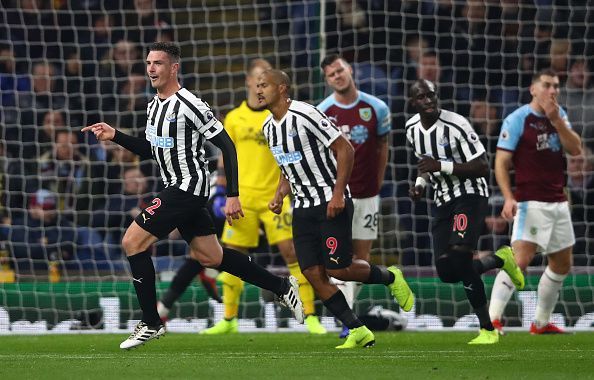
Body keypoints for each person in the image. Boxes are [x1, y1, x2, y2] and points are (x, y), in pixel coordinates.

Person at [82, 42, 304, 350]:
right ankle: (281, 286)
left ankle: (151, 322)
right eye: (148, 63)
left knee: (132, 241)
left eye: (158, 63)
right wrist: (114, 135)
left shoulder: (190, 104)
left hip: (190, 186)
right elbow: (151, 150)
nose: (150, 68)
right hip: (176, 186)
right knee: (210, 256)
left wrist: (232, 194)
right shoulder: (153, 105)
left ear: (173, 68)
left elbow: (227, 145)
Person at [157, 58, 326, 335]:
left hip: (274, 195)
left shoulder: (278, 115)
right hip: (242, 198)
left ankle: (309, 315)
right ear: (248, 81)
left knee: (292, 251)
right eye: (258, 79)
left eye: (267, 80)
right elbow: (225, 158)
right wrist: (221, 191)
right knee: (232, 254)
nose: (261, 85)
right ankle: (229, 318)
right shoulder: (234, 117)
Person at [257, 69, 414, 349]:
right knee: (312, 272)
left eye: (264, 85)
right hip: (302, 208)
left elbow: (345, 150)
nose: (258, 90)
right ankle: (357, 329)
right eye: (257, 86)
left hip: (330, 202)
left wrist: (338, 193)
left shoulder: (307, 114)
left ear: (282, 88)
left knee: (338, 270)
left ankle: (391, 277)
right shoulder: (267, 127)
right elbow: (287, 165)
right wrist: (280, 194)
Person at [406, 79, 524, 345]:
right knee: (447, 272)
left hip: (469, 195)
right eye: (422, 97)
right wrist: (419, 186)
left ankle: (488, 329)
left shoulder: (456, 124)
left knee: (460, 256)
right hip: (442, 200)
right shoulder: (411, 128)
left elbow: (482, 166)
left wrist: (442, 166)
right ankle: (500, 259)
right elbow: (424, 165)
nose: (429, 101)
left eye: (432, 95)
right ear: (413, 103)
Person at [488, 69, 582, 334]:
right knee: (519, 260)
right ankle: (492, 319)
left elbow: (575, 149)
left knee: (562, 263)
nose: (553, 91)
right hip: (531, 202)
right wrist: (508, 197)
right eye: (547, 85)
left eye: (556, 87)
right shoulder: (518, 119)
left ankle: (540, 322)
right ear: (533, 89)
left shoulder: (559, 116)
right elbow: (501, 162)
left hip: (558, 202)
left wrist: (557, 121)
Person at [318, 54, 390, 338]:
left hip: (368, 195)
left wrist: (379, 180)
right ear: (327, 81)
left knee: (360, 258)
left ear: (349, 70)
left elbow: (383, 146)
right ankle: (348, 320)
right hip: (338, 196)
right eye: (331, 74)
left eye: (340, 70)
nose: (338, 76)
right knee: (338, 261)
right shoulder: (323, 111)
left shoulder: (377, 107)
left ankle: (348, 321)